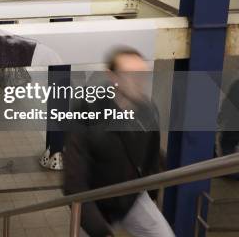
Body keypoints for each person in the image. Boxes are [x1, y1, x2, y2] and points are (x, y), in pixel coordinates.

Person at [63, 48, 174, 237]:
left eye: (143, 75)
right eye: (130, 75)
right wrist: (100, 231)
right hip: (95, 205)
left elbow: (152, 154)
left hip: (131, 198)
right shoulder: (87, 110)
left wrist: (154, 189)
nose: (139, 82)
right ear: (111, 76)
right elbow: (74, 182)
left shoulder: (147, 110)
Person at [218, 61, 239, 181]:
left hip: (234, 124)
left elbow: (228, 103)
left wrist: (221, 117)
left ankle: (230, 173)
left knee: (227, 145)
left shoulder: (238, 84)